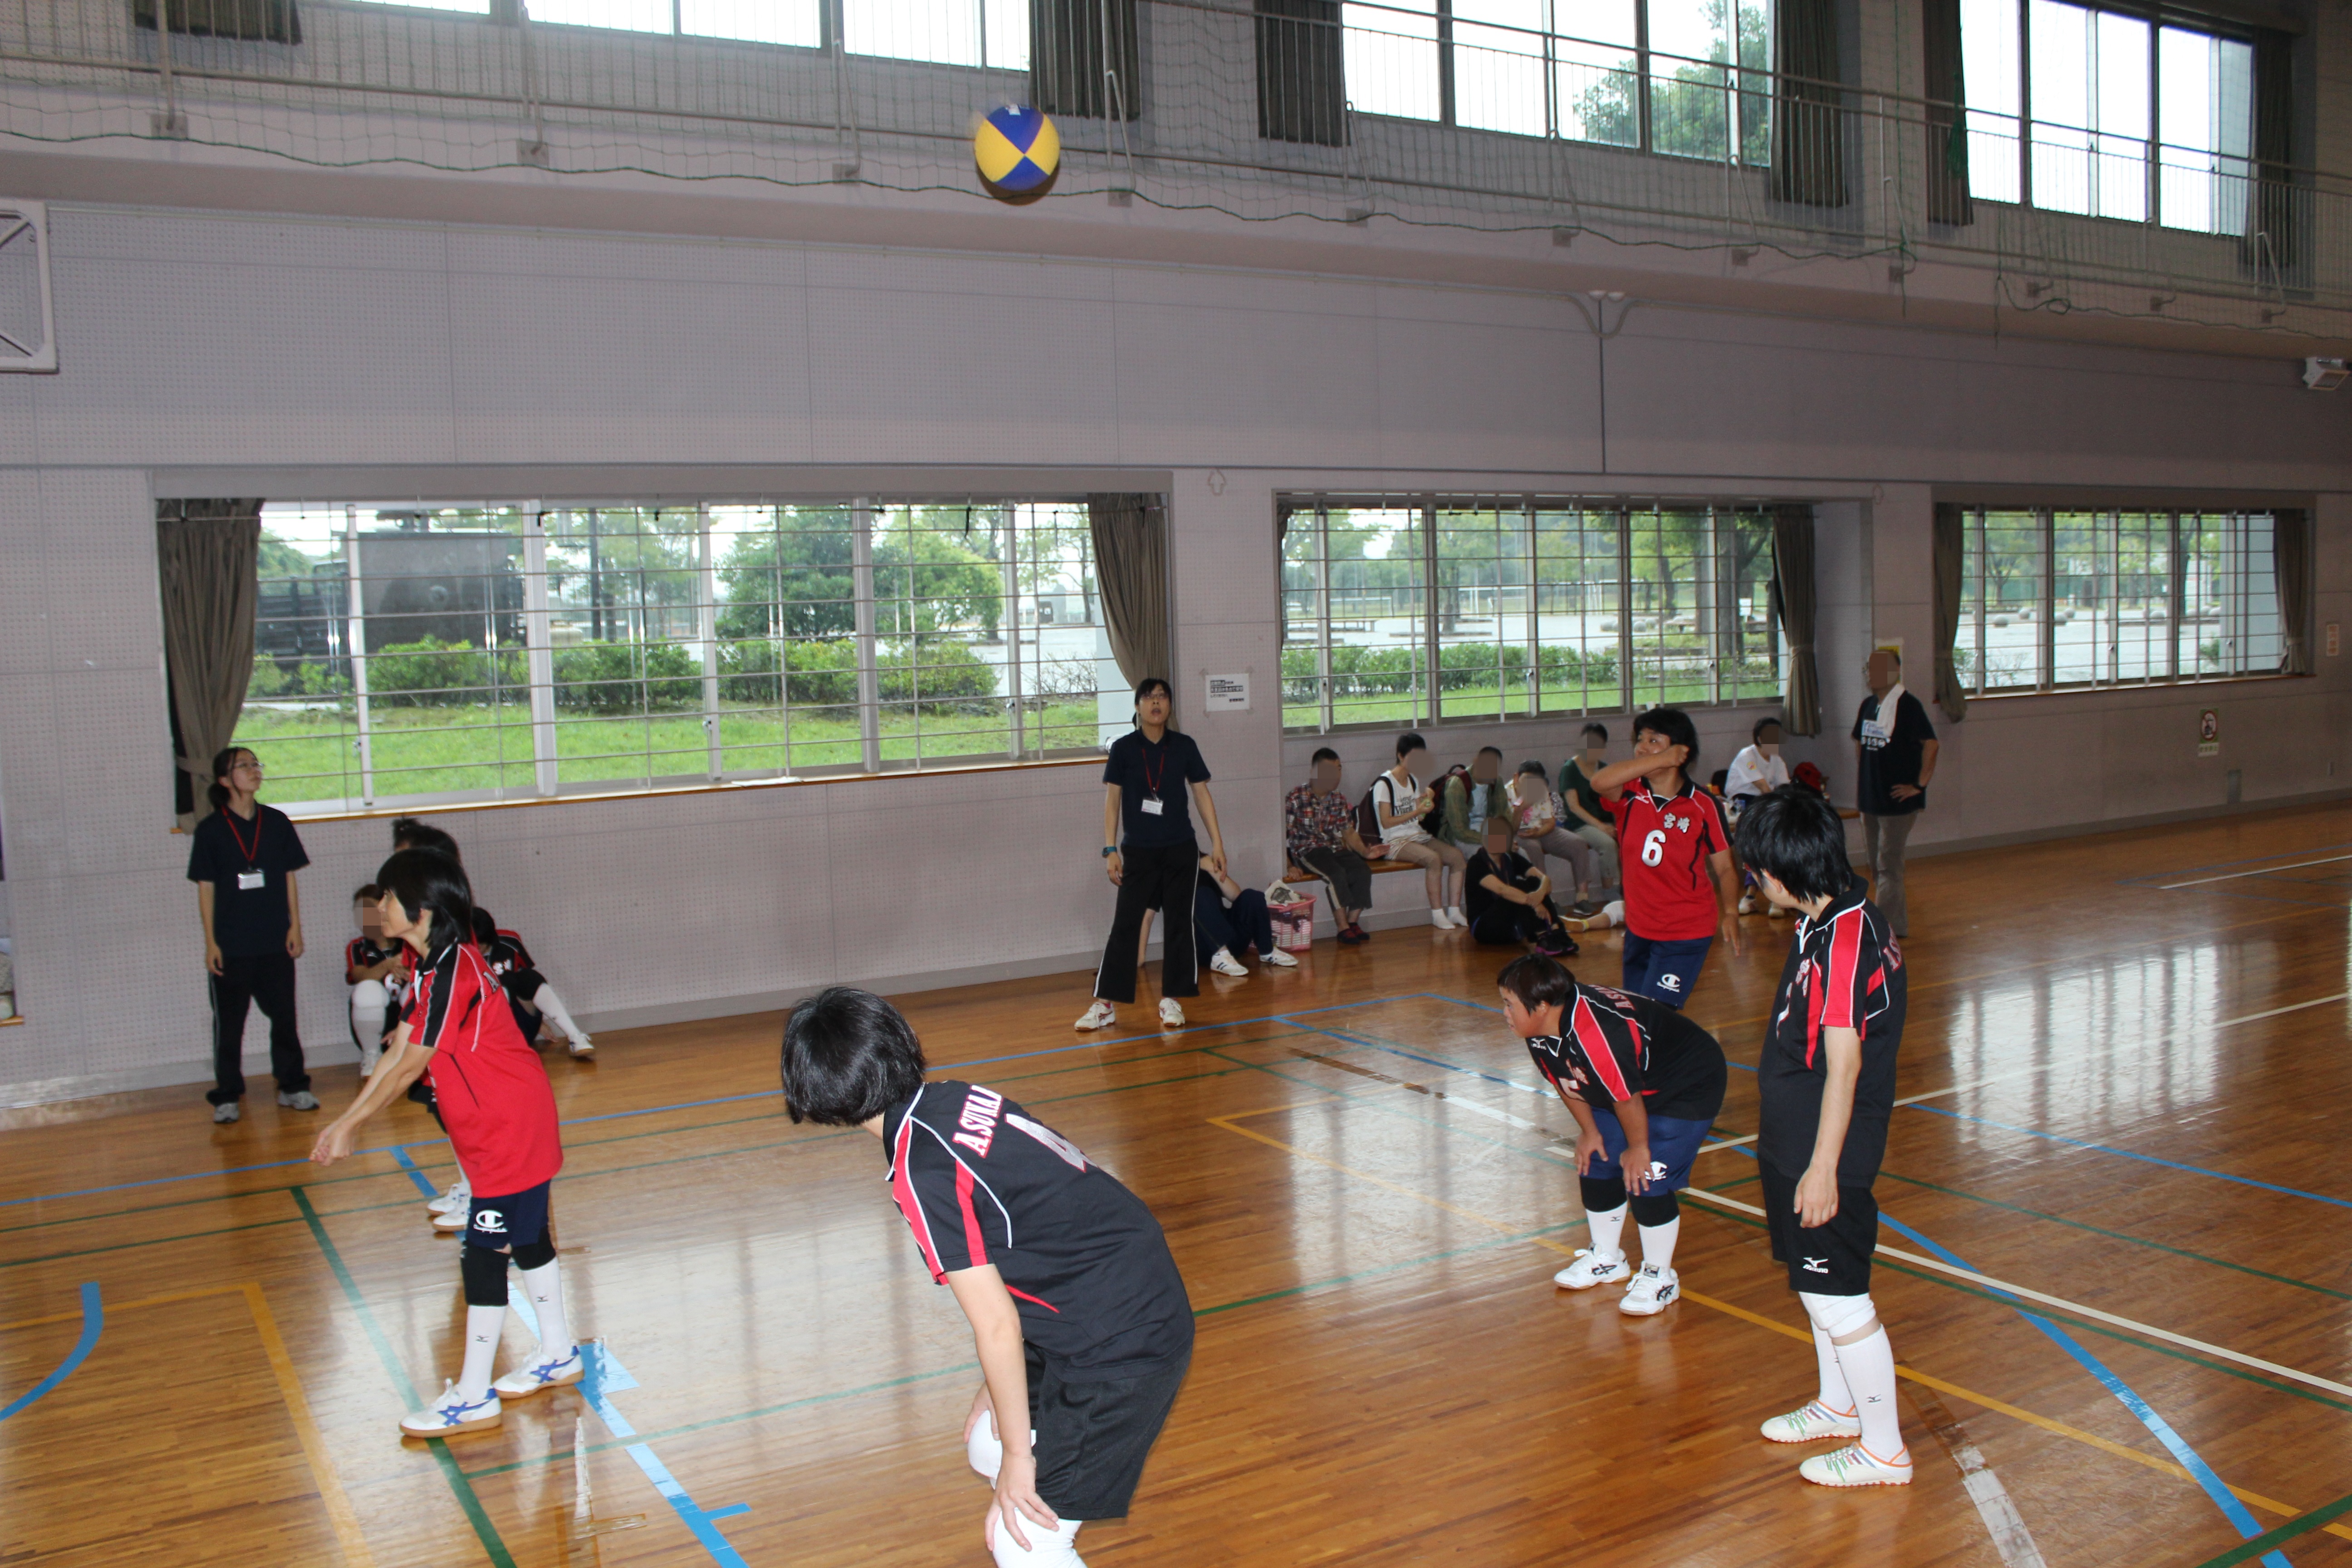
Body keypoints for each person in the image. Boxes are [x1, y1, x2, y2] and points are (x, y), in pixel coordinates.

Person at [783, 988, 1193, 1567]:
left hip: (1121, 1337)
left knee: (1022, 1540)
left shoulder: (922, 1170)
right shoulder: (957, 1097)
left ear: (818, 1096)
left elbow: (996, 1325)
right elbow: (1035, 1237)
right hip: (1111, 1290)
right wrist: (1000, 1386)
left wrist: (1022, 1464)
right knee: (989, 1441)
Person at [310, 848, 581, 1437]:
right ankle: (558, 1352)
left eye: (387, 896)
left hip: (508, 1127)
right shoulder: (431, 965)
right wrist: (344, 1120)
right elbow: (398, 1052)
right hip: (503, 1122)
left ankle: (474, 1395)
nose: (379, 906)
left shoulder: (453, 971)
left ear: (422, 909)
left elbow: (412, 1065)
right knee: (528, 1236)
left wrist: (353, 1126)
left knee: (483, 1253)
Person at [1736, 787, 1913, 1487]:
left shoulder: (1844, 941)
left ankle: (1884, 1449)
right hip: (1796, 1134)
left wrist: (1823, 1169)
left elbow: (1845, 1068)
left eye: (1757, 871)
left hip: (1824, 1144)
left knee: (1839, 1299)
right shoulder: (1832, 916)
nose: (1755, 882)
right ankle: (1839, 1406)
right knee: (1817, 1292)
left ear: (1782, 874)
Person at [1498, 952, 1726, 1317]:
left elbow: (1626, 1098)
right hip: (1627, 1084)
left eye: (1510, 1004)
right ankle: (1607, 1258)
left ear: (1541, 1006)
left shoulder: (1599, 1034)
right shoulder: (1540, 1028)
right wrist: (1589, 1132)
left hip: (1686, 1084)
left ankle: (1660, 1277)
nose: (1505, 1013)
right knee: (1597, 1158)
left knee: (1646, 1177)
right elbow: (1565, 1080)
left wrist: (1639, 1148)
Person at [1079, 678, 1224, 1033]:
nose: (1155, 703)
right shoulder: (1124, 749)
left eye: (1161, 697)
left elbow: (1202, 795)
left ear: (1169, 706)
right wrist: (1111, 849)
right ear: (1138, 706)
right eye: (1148, 697)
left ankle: (1172, 999)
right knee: (1125, 926)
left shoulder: (1185, 746)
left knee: (1179, 924)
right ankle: (1105, 1005)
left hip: (1180, 849)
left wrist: (1217, 843)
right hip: (1139, 852)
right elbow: (1112, 801)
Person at [187, 747, 316, 1124]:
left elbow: (289, 876)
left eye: (255, 763)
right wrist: (211, 942)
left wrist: (295, 925)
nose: (254, 770)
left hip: (275, 940)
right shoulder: (211, 830)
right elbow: (206, 888)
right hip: (231, 945)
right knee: (229, 1026)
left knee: (285, 1019)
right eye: (243, 766)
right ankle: (227, 1095)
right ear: (224, 780)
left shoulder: (276, 822)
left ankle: (292, 1086)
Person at [1585, 709, 1741, 1008]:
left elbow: (1725, 869)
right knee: (1636, 1009)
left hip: (1686, 931)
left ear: (1680, 752)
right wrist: (1660, 758)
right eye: (1639, 740)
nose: (1642, 747)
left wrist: (1732, 913)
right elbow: (1599, 782)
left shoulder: (1703, 805)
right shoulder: (1629, 793)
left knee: (1657, 1012)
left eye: (1654, 740)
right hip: (1639, 927)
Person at [1852, 650, 1937, 939]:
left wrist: (1919, 785)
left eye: (1879, 668)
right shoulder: (1868, 706)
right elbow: (1860, 743)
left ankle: (1881, 930)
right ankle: (1896, 926)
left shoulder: (1909, 706)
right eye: (1869, 668)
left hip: (1898, 801)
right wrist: (1869, 776)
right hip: (1870, 799)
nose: (1871, 673)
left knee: (1889, 864)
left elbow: (1932, 745)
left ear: (1895, 672)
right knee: (1878, 866)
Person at [471, 909, 596, 1058]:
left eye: (480, 945)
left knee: (528, 977)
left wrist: (540, 1024)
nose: (477, 948)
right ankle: (498, 1044)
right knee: (498, 984)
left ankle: (576, 1037)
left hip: (519, 1020)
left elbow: (527, 984)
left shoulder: (510, 941)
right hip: (483, 1025)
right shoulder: (460, 954)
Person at [1373, 733, 1466, 930]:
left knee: (1457, 857)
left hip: (1416, 835)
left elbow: (1420, 817)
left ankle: (1455, 911)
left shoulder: (1413, 780)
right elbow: (1386, 822)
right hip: (1394, 842)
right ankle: (1437, 914)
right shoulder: (1384, 784)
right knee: (1433, 859)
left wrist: (1427, 801)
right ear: (1401, 756)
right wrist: (1418, 811)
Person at [1284, 748, 1377, 945]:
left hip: (1333, 848)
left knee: (1362, 871)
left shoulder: (1339, 799)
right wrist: (1289, 865)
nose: (1336, 775)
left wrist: (1365, 851)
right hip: (1307, 850)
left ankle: (1352, 923)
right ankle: (1342, 928)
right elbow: (1282, 835)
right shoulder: (1296, 798)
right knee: (1336, 874)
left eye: (1339, 769)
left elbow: (1349, 832)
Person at [1463, 817, 1576, 956]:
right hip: (1485, 928)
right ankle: (1543, 936)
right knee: (1519, 887)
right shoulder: (1476, 863)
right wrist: (1535, 904)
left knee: (1534, 882)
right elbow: (1502, 890)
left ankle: (1555, 931)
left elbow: (1545, 880)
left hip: (1508, 923)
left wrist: (1540, 893)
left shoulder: (1510, 858)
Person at [1506, 760, 1600, 916]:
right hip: (1518, 832)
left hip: (1542, 830)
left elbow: (1550, 822)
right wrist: (1520, 810)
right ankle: (1546, 898)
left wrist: (1539, 832)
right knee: (1533, 848)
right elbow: (1510, 830)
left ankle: (1582, 898)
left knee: (1578, 843)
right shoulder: (1505, 794)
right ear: (1516, 778)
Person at [1725, 716, 1793, 916]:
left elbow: (1784, 789)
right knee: (1760, 844)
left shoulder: (1777, 760)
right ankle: (1752, 896)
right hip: (1745, 803)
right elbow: (1763, 787)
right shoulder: (1747, 756)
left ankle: (1775, 896)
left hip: (1766, 803)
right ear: (1760, 738)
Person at [1195, 860, 1301, 976]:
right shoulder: (1180, 874)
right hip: (1203, 944)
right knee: (1202, 894)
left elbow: (1235, 895)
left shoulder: (1204, 864)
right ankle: (1220, 956)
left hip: (1229, 939)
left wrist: (1212, 869)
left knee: (1252, 896)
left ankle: (1267, 951)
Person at [344, 884, 406, 1078]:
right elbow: (360, 976)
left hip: (406, 1021)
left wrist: (408, 970)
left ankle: (417, 1050)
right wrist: (389, 965)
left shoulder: (408, 942)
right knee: (367, 990)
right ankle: (372, 1055)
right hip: (375, 1025)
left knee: (419, 987)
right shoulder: (358, 947)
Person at [1555, 724, 1622, 898]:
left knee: (1632, 839)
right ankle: (1610, 892)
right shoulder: (1570, 769)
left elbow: (1616, 801)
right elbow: (1574, 807)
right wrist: (1601, 827)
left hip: (1605, 822)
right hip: (1580, 824)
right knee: (1608, 845)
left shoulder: (1605, 769)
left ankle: (1630, 887)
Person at [1438, 747, 1508, 851]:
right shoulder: (1457, 785)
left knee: (1519, 853)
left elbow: (1504, 815)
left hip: (1487, 831)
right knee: (1486, 855)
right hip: (1462, 837)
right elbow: (1460, 831)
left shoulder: (1497, 782)